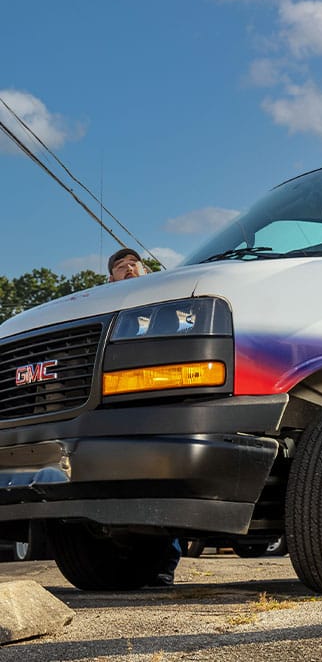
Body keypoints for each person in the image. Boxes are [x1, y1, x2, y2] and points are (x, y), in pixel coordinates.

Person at [107, 247, 181, 586]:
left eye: (133, 264)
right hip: (118, 405)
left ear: (147, 270)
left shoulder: (170, 300)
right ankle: (127, 562)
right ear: (110, 279)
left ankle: (167, 562)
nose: (127, 269)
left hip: (159, 400)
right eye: (120, 267)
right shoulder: (104, 309)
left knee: (162, 482)